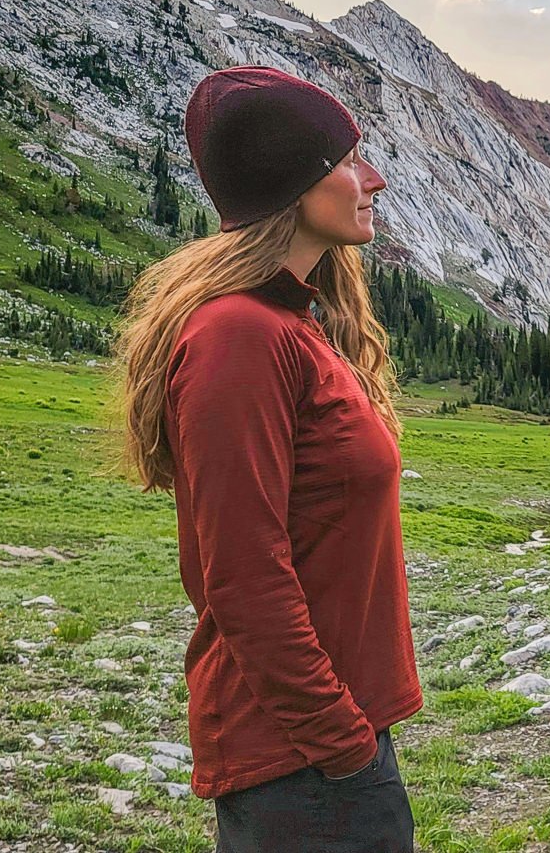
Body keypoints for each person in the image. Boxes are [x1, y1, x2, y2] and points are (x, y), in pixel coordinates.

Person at [107, 65, 423, 852]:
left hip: (322, 749)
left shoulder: (288, 324)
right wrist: (340, 741)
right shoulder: (238, 337)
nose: (372, 179)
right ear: (294, 185)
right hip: (301, 762)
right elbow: (242, 576)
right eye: (348, 160)